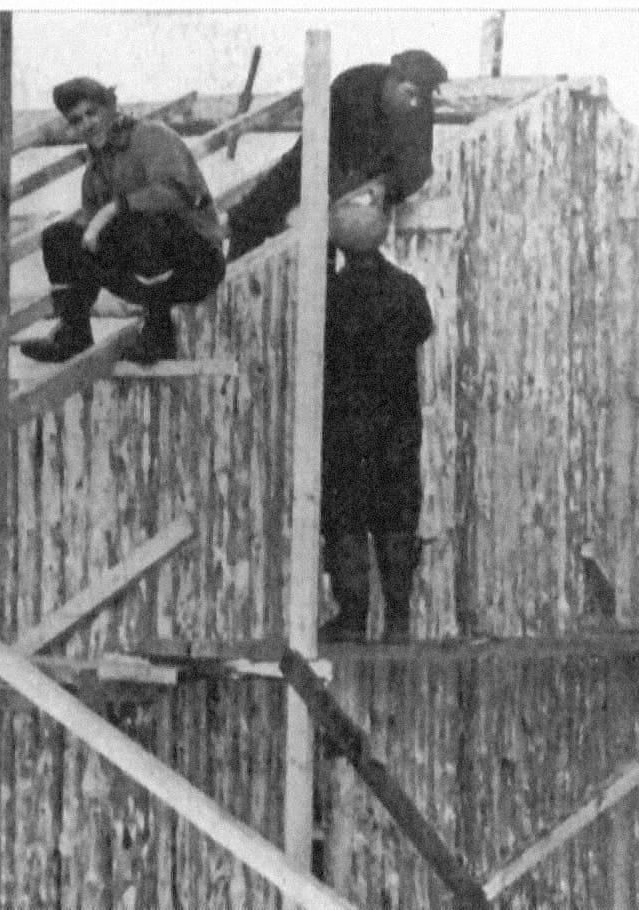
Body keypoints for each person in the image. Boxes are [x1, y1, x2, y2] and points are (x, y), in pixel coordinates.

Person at [18, 77, 225, 366]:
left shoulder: (150, 137)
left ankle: (159, 334)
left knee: (140, 223)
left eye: (92, 113)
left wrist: (112, 210)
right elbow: (92, 238)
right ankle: (73, 334)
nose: (87, 124)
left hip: (196, 264)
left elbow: (178, 193)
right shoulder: (94, 173)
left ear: (110, 106)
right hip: (146, 276)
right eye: (77, 120)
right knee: (59, 236)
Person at [316, 199, 434, 644]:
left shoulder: (332, 295)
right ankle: (399, 619)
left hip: (345, 426)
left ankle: (352, 618)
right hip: (396, 425)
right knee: (397, 519)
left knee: (346, 521)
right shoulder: (408, 290)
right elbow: (421, 332)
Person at [227, 49, 448, 263]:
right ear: (392, 80)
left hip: (369, 189)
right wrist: (332, 194)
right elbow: (311, 150)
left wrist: (386, 187)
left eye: (422, 97)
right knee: (254, 215)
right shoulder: (352, 86)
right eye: (409, 93)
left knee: (339, 248)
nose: (415, 103)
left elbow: (419, 167)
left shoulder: (419, 108)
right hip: (323, 166)